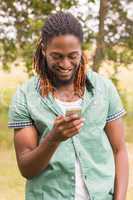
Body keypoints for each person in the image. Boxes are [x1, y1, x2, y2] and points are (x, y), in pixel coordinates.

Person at [8, 11, 128, 200]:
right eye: (57, 56)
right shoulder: (25, 96)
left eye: (73, 55)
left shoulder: (103, 89)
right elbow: (26, 168)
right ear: (43, 49)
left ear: (81, 50)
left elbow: (119, 150)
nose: (65, 64)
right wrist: (53, 139)